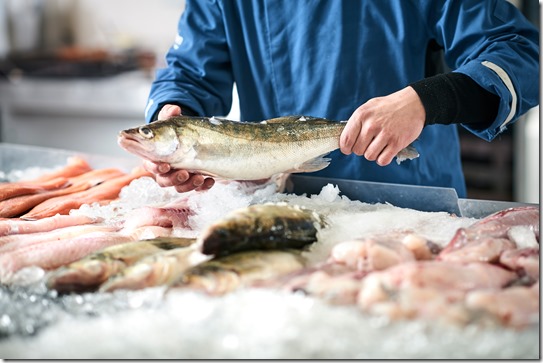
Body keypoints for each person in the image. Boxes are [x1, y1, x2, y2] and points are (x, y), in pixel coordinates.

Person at [142, 0, 539, 196]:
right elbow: (190, 72)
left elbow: (517, 51)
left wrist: (426, 100)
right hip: (280, 202)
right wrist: (176, 119)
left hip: (409, 203)